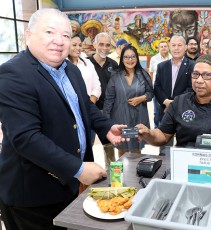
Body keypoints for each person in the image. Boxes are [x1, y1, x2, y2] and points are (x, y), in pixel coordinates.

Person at [0, 9, 126, 230]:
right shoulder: (13, 74)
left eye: (66, 35)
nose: (59, 41)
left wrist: (105, 127)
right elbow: (26, 138)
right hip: (32, 197)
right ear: (28, 36)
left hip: (66, 186)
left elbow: (84, 105)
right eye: (50, 32)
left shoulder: (71, 70)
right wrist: (77, 168)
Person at [136, 54, 211, 147]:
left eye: (207, 75)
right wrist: (148, 133)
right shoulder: (179, 102)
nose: (199, 80)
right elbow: (164, 135)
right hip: (183, 164)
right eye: (195, 74)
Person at [104, 45, 153, 157]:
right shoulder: (115, 75)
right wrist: (106, 122)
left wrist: (141, 98)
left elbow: (151, 94)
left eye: (132, 57)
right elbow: (109, 99)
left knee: (137, 148)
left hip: (138, 116)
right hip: (120, 117)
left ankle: (136, 174)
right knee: (122, 148)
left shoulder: (143, 74)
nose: (129, 60)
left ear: (137, 58)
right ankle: (122, 174)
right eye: (126, 57)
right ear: (122, 59)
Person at [89, 32, 119, 171]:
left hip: (109, 111)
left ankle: (112, 173)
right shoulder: (86, 64)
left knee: (109, 144)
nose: (104, 48)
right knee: (88, 143)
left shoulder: (113, 64)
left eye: (107, 45)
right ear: (94, 44)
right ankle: (89, 172)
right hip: (90, 110)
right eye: (101, 44)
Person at [68, 35, 102, 145]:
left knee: (88, 147)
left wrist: (88, 106)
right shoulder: (61, 65)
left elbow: (97, 86)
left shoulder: (87, 63)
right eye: (74, 45)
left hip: (88, 111)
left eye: (80, 45)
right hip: (70, 115)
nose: (78, 48)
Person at [154, 35, 195, 123]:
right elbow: (157, 87)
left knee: (183, 136)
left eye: (179, 45)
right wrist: (166, 101)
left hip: (184, 108)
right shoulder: (162, 66)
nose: (176, 48)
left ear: (185, 47)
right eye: (173, 45)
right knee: (164, 135)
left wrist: (174, 102)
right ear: (169, 47)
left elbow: (191, 88)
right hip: (165, 109)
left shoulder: (193, 65)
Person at [149, 41, 172, 128]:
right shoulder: (154, 59)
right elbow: (151, 73)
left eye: (165, 46)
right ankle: (156, 127)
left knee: (169, 110)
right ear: (158, 49)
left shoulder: (172, 58)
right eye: (161, 46)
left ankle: (168, 128)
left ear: (168, 47)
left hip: (170, 89)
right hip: (157, 89)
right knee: (157, 111)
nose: (163, 48)